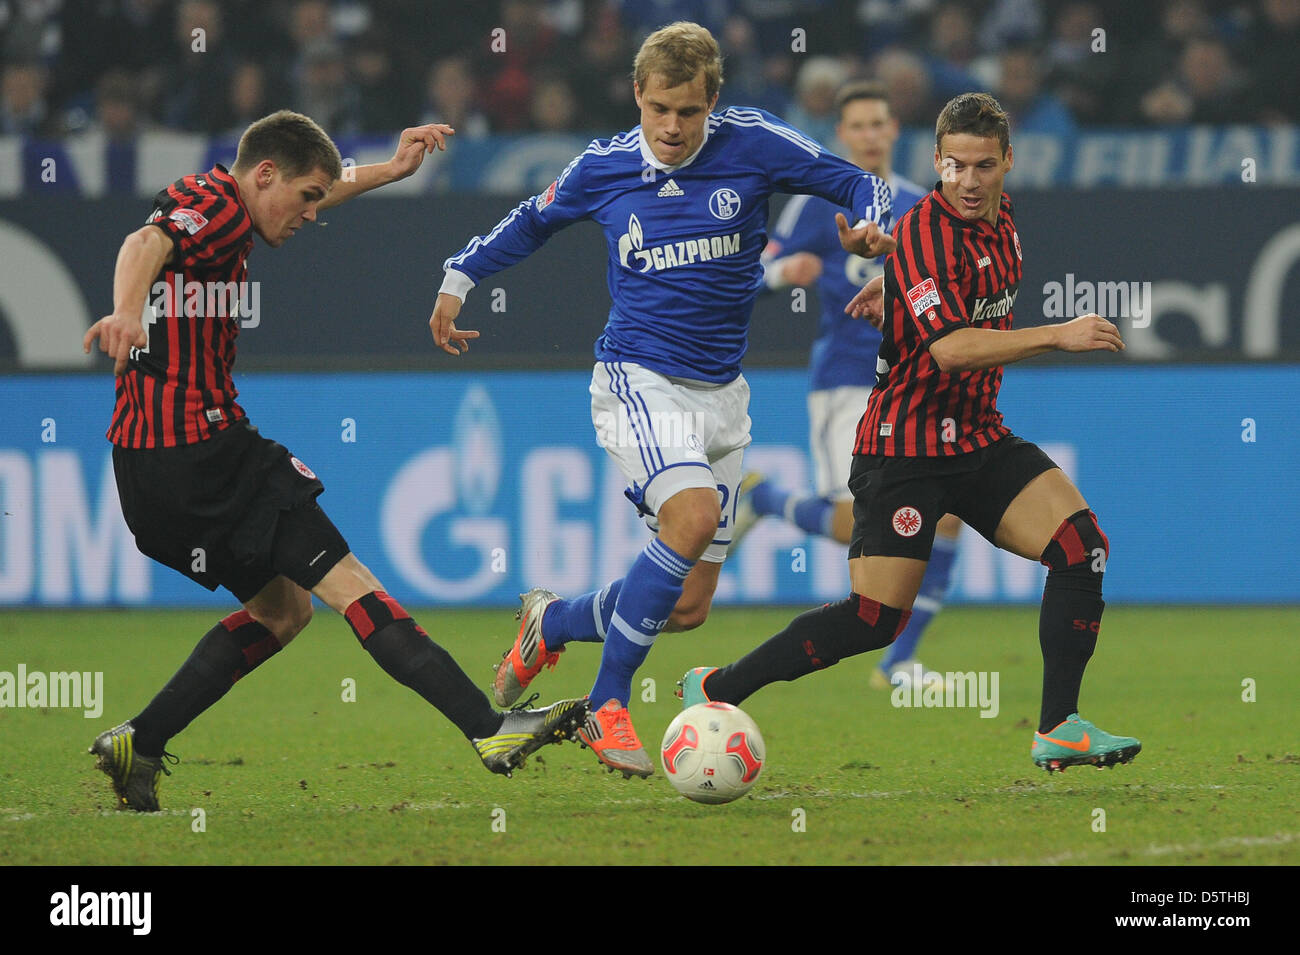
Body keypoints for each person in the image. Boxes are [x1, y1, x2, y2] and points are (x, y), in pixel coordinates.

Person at [83, 110, 586, 812]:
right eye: (307, 197)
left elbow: (284, 196)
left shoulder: (227, 202)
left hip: (149, 473)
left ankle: (142, 738)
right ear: (265, 175)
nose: (312, 215)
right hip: (204, 451)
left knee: (283, 612)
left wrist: (388, 170)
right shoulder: (217, 207)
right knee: (350, 584)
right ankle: (489, 728)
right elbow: (145, 240)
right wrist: (127, 311)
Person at [429, 22, 895, 778]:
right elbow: (533, 220)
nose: (673, 127)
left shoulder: (754, 143)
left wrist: (876, 224)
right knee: (695, 516)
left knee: (686, 607)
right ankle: (607, 703)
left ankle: (552, 620)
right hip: (637, 379)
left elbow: (857, 181)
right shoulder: (605, 166)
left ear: (713, 99)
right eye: (659, 110)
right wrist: (459, 277)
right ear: (637, 97)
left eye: (688, 111)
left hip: (722, 397)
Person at [679, 92, 1141, 774]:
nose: (970, 180)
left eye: (985, 165)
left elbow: (949, 272)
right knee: (871, 619)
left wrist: (897, 278)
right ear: (936, 161)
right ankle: (717, 687)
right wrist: (1058, 335)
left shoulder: (994, 220)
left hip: (977, 438)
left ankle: (1058, 725)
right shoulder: (924, 221)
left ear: (1008, 162)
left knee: (1081, 546)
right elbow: (951, 347)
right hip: (904, 449)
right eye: (955, 165)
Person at [732, 79, 958, 691]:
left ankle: (899, 663)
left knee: (948, 517)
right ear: (842, 136)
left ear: (893, 131)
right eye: (856, 126)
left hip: (915, 383)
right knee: (857, 522)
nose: (868, 135)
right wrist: (783, 271)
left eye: (877, 124)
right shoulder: (815, 205)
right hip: (847, 383)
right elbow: (746, 274)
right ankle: (764, 500)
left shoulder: (921, 205)